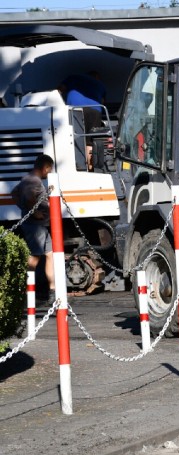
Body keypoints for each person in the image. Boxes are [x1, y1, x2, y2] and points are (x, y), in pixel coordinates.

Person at [13, 154, 55, 303]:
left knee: (50, 254)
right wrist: (34, 212)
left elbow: (14, 194)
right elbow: (30, 197)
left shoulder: (27, 178)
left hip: (39, 225)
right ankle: (24, 291)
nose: (49, 173)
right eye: (49, 170)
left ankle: (52, 290)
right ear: (45, 168)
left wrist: (23, 208)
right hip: (36, 226)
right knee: (35, 257)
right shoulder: (34, 181)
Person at [59, 72, 107, 170]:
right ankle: (90, 167)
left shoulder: (73, 77)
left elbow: (59, 90)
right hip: (95, 111)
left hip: (76, 110)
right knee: (90, 140)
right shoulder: (101, 85)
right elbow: (102, 102)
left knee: (74, 137)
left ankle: (78, 166)